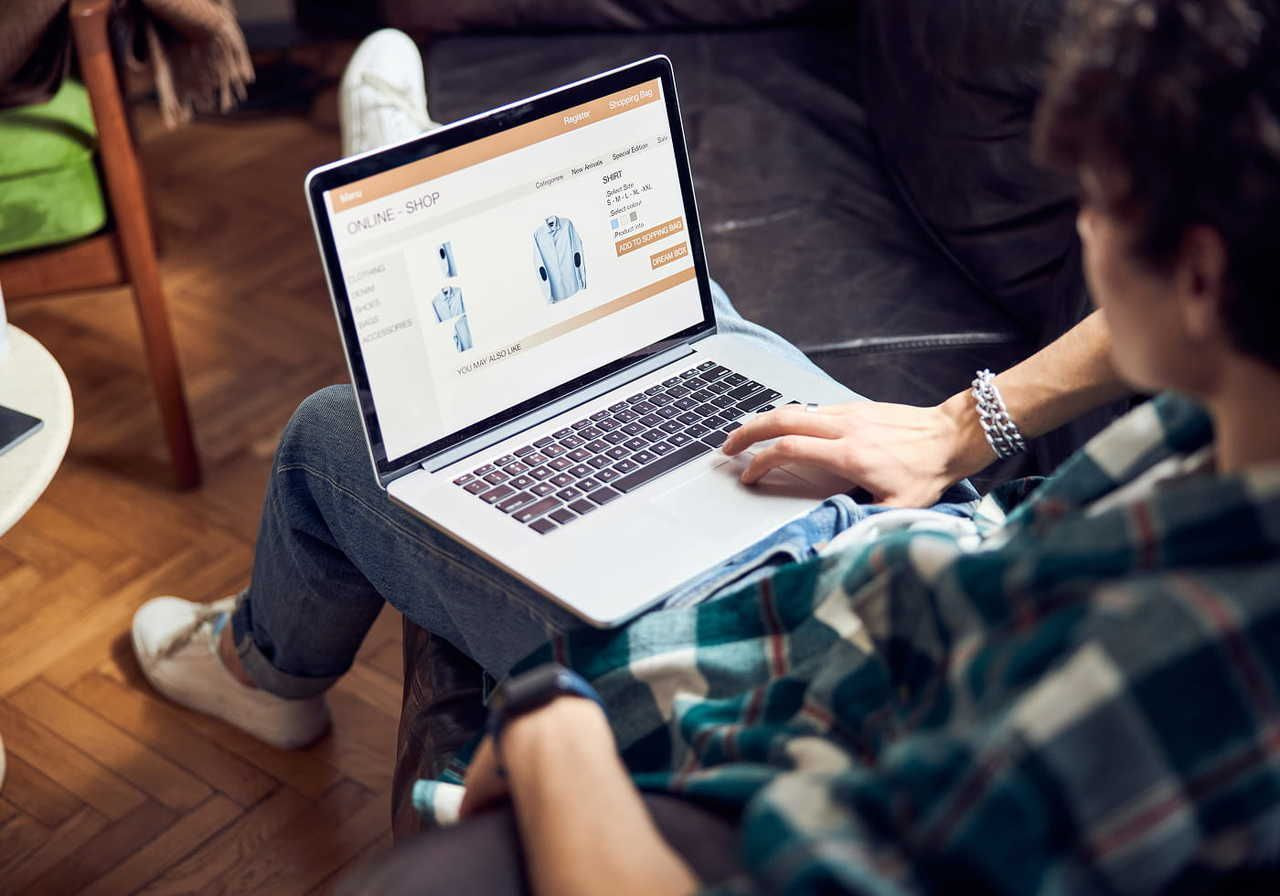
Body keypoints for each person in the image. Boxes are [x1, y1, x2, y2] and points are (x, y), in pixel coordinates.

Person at [132, 1, 1280, 891]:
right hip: (910, 541)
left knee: (329, 440)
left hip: (748, 648)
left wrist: (548, 727)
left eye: (1100, 201)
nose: (1081, 224)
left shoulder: (1162, 679)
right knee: (675, 330)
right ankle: (430, 208)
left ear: (1196, 274)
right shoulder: (1243, 407)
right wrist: (951, 430)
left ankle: (262, 669)